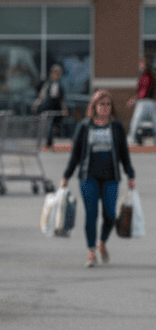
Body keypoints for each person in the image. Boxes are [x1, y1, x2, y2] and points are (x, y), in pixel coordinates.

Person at [60, 89, 135, 268]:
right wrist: (66, 176)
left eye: (108, 105)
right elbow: (76, 154)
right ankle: (91, 251)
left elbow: (124, 154)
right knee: (91, 215)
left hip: (111, 178)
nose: (105, 108)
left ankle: (102, 242)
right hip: (88, 178)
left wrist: (130, 174)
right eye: (102, 104)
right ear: (94, 106)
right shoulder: (85, 127)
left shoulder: (116, 127)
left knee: (110, 214)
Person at [32, 64, 69, 149]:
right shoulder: (47, 84)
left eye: (58, 73)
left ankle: (50, 142)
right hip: (47, 108)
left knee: (54, 126)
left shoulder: (61, 86)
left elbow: (62, 100)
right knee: (48, 125)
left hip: (56, 109)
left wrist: (64, 109)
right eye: (54, 72)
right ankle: (48, 143)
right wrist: (36, 105)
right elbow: (41, 96)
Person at [127, 56, 155, 145]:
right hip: (145, 102)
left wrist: (134, 99)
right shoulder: (143, 75)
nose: (140, 65)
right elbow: (140, 90)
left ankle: (131, 138)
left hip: (148, 102)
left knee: (137, 119)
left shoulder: (148, 75)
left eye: (142, 63)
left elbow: (144, 91)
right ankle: (132, 137)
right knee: (136, 120)